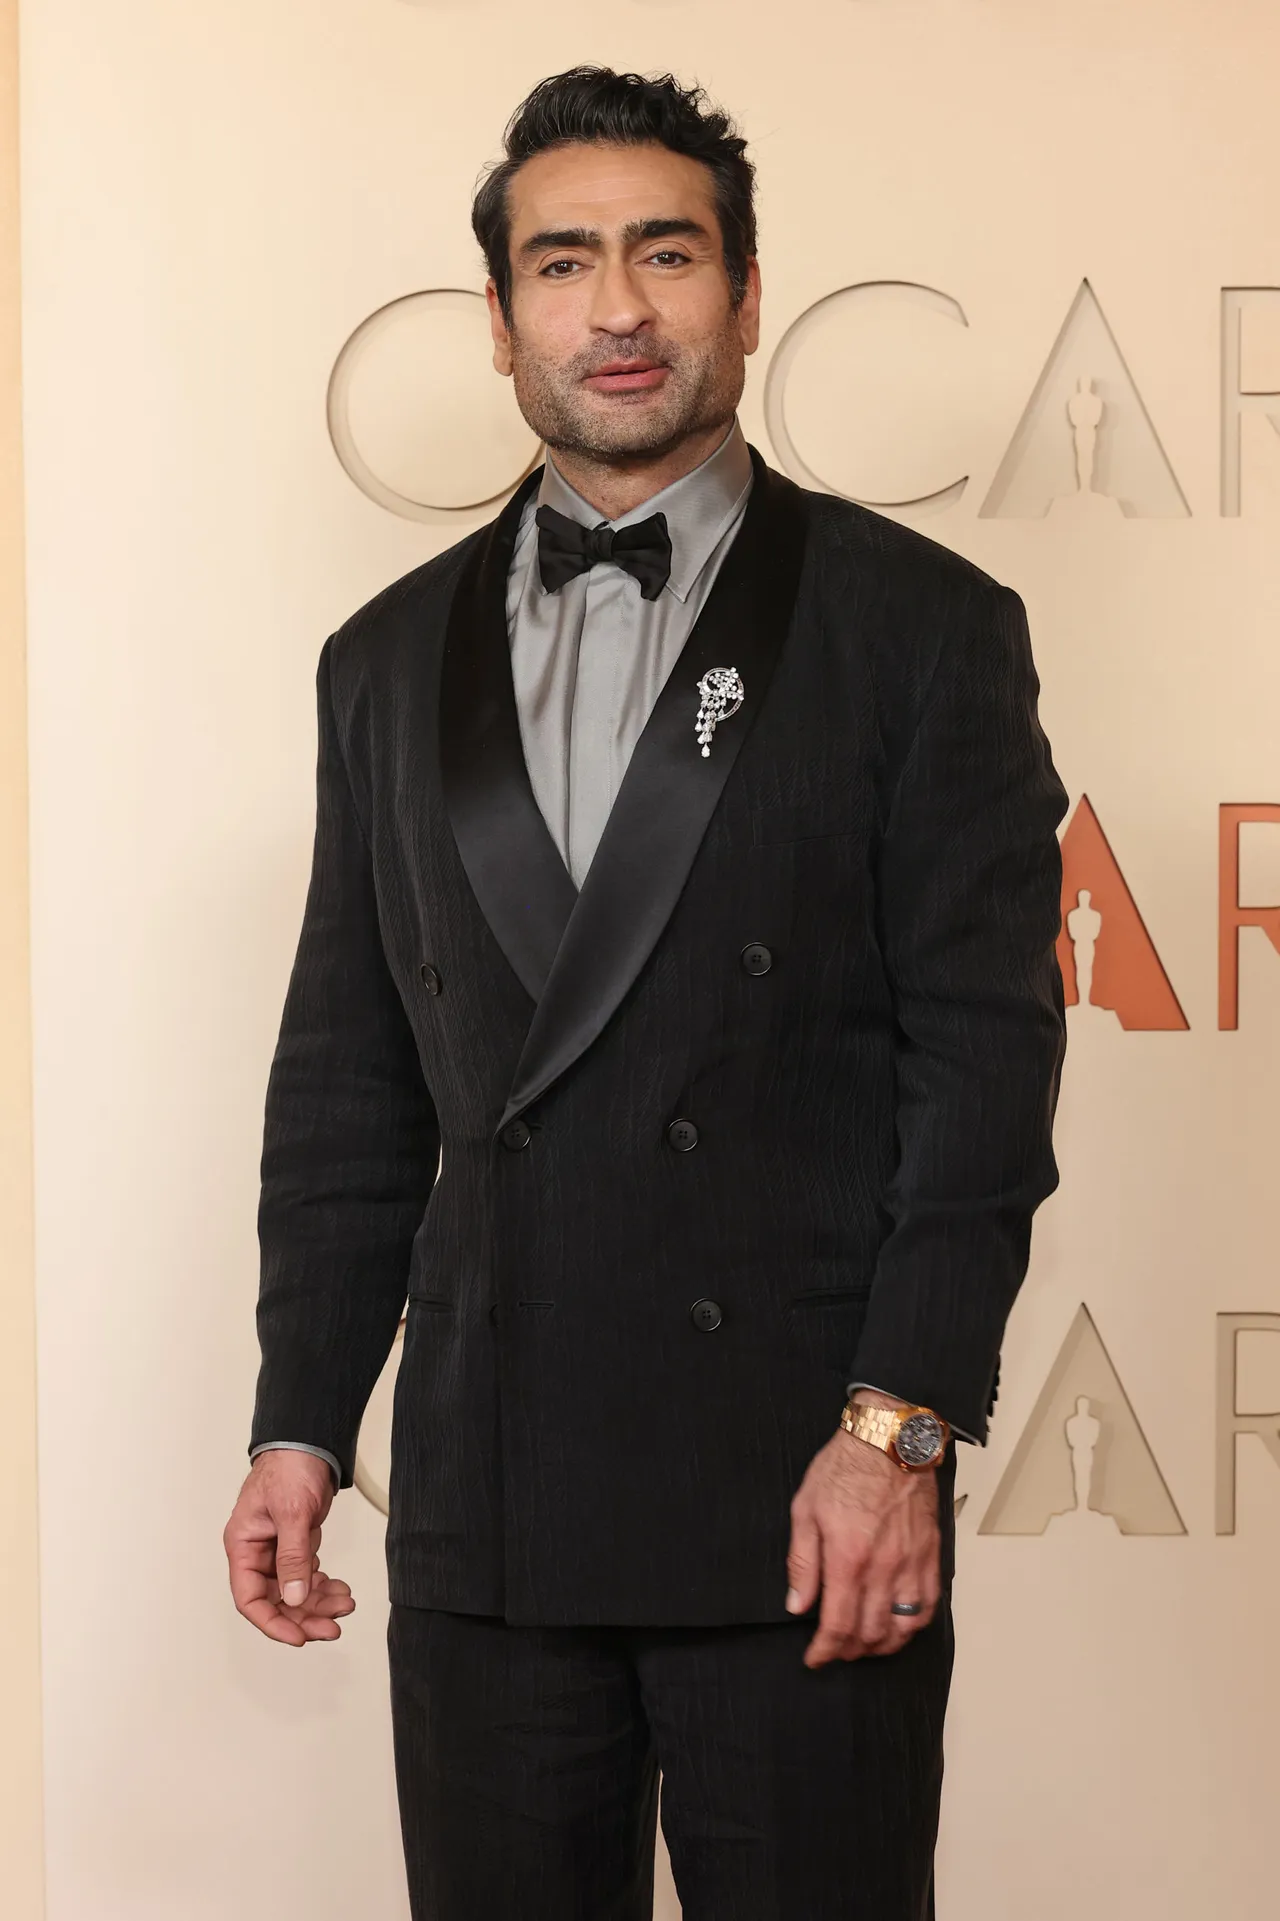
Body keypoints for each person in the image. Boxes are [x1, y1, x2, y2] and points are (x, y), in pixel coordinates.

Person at [223, 65, 1068, 1921]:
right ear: (507, 321)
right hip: (484, 1504)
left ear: (745, 297)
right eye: (564, 263)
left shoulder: (917, 631)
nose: (618, 308)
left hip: (800, 1497)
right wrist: (300, 1417)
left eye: (666, 254)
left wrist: (898, 1432)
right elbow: (350, 1081)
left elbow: (985, 1072)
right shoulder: (380, 663)